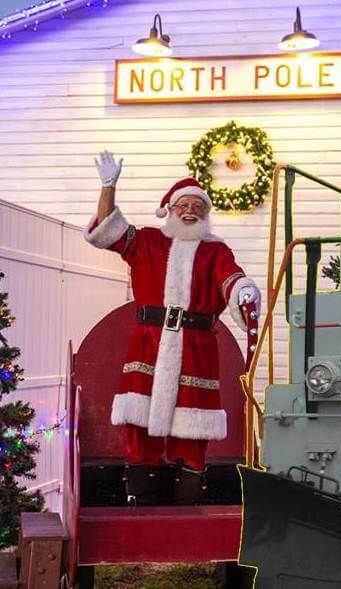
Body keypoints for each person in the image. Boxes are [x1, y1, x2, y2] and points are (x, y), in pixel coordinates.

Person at [84, 151, 261, 505]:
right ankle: (142, 498)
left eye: (199, 205)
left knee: (192, 427)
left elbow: (231, 278)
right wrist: (108, 186)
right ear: (169, 209)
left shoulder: (216, 251)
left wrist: (243, 290)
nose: (191, 210)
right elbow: (104, 233)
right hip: (149, 344)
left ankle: (188, 500)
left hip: (197, 348)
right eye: (184, 204)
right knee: (140, 420)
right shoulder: (147, 241)